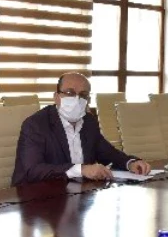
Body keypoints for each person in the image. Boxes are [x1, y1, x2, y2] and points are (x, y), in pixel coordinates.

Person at [12, 72, 151, 185]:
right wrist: (81, 170)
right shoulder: (36, 125)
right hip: (35, 200)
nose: (77, 99)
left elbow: (107, 153)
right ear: (56, 97)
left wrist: (131, 163)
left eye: (83, 95)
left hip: (76, 194)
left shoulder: (88, 121)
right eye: (70, 93)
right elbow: (33, 170)